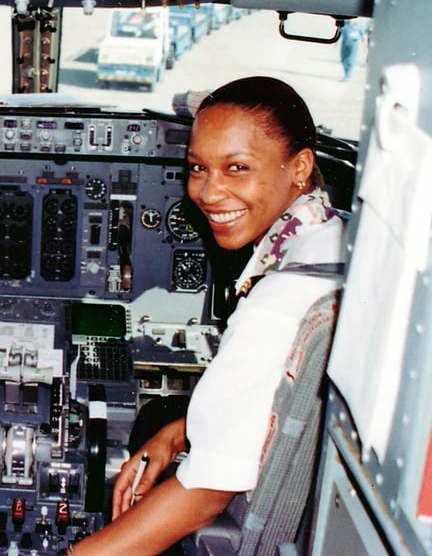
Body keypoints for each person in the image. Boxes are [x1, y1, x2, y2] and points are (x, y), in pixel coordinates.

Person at [71, 77, 346, 556]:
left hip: (239, 530)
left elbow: (205, 495)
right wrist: (175, 435)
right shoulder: (330, 243)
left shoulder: (277, 303)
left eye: (237, 168)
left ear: (300, 167)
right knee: (160, 412)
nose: (209, 192)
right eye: (198, 168)